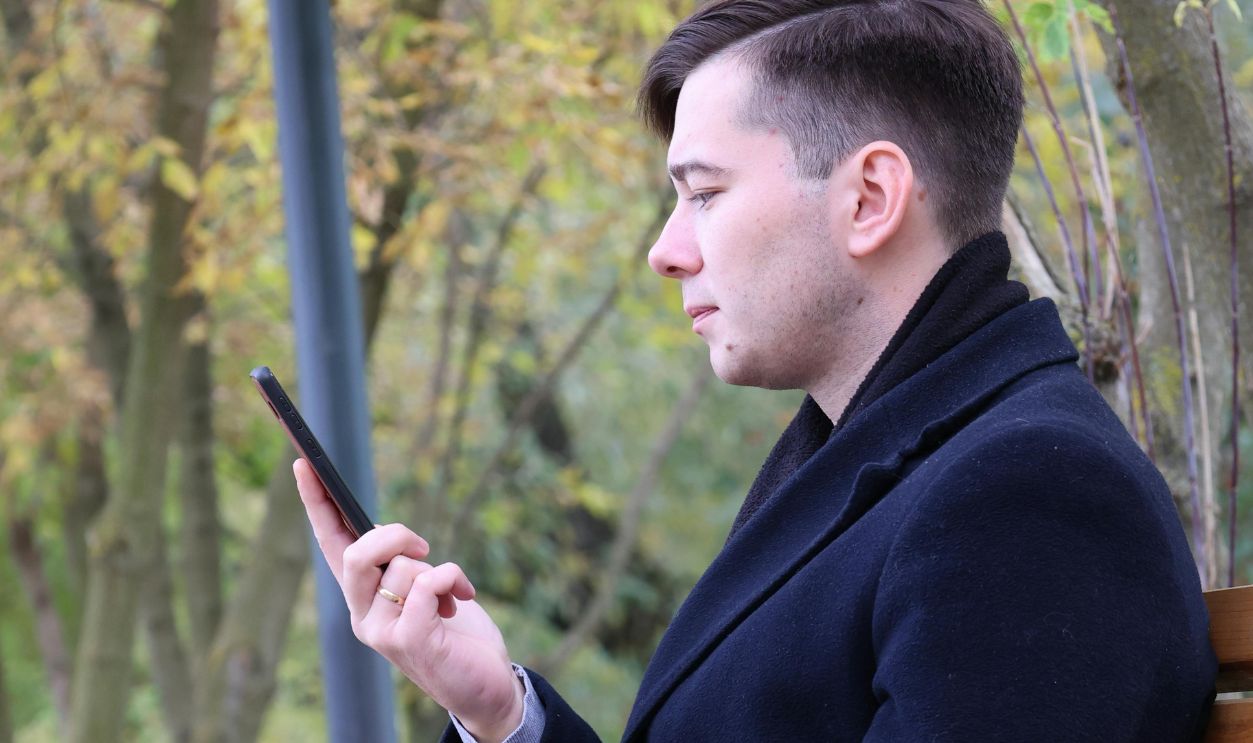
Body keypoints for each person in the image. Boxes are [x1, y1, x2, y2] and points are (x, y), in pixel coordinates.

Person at [294, 0, 1219, 740]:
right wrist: (502, 713)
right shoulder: (889, 459)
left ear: (868, 197)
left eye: (704, 194)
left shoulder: (1026, 499)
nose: (665, 250)